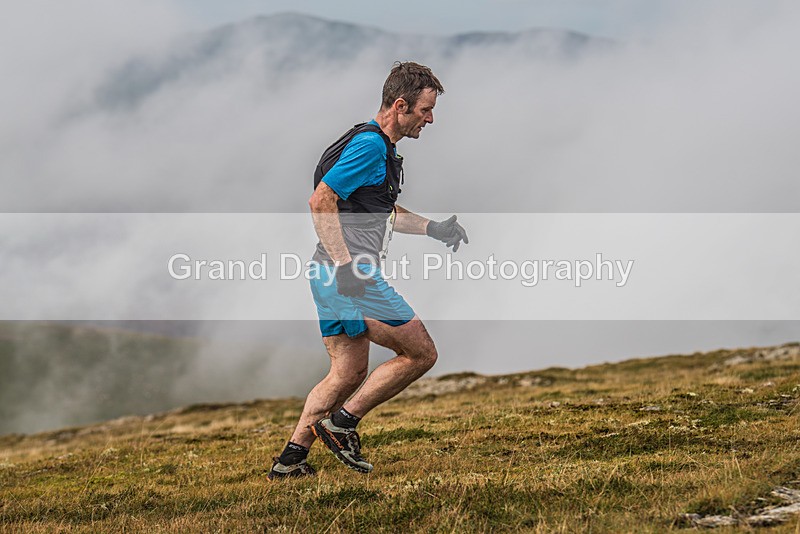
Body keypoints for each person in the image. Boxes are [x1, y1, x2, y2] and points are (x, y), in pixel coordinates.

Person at [269, 62, 468, 479]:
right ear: (400, 105)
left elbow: (381, 210)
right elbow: (320, 200)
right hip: (348, 274)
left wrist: (435, 228)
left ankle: (289, 461)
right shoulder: (371, 146)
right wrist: (347, 267)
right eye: (425, 110)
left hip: (326, 273)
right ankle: (342, 425)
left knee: (347, 373)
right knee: (421, 353)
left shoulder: (372, 145)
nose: (430, 119)